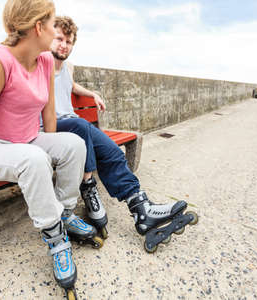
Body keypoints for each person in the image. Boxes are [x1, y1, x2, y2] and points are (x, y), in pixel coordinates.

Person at [0, 2, 100, 298]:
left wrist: (55, 147)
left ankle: (65, 212)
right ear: (38, 28)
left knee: (73, 143)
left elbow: (48, 114)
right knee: (34, 160)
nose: (54, 29)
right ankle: (55, 236)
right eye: (50, 24)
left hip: (29, 139)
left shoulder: (45, 60)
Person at [50, 16, 198, 252]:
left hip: (75, 124)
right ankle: (88, 186)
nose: (63, 45)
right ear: (48, 37)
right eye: (58, 38)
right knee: (81, 127)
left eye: (68, 41)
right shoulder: (40, 63)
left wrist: (92, 94)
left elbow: (71, 86)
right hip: (51, 128)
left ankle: (141, 209)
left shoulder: (68, 67)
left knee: (112, 152)